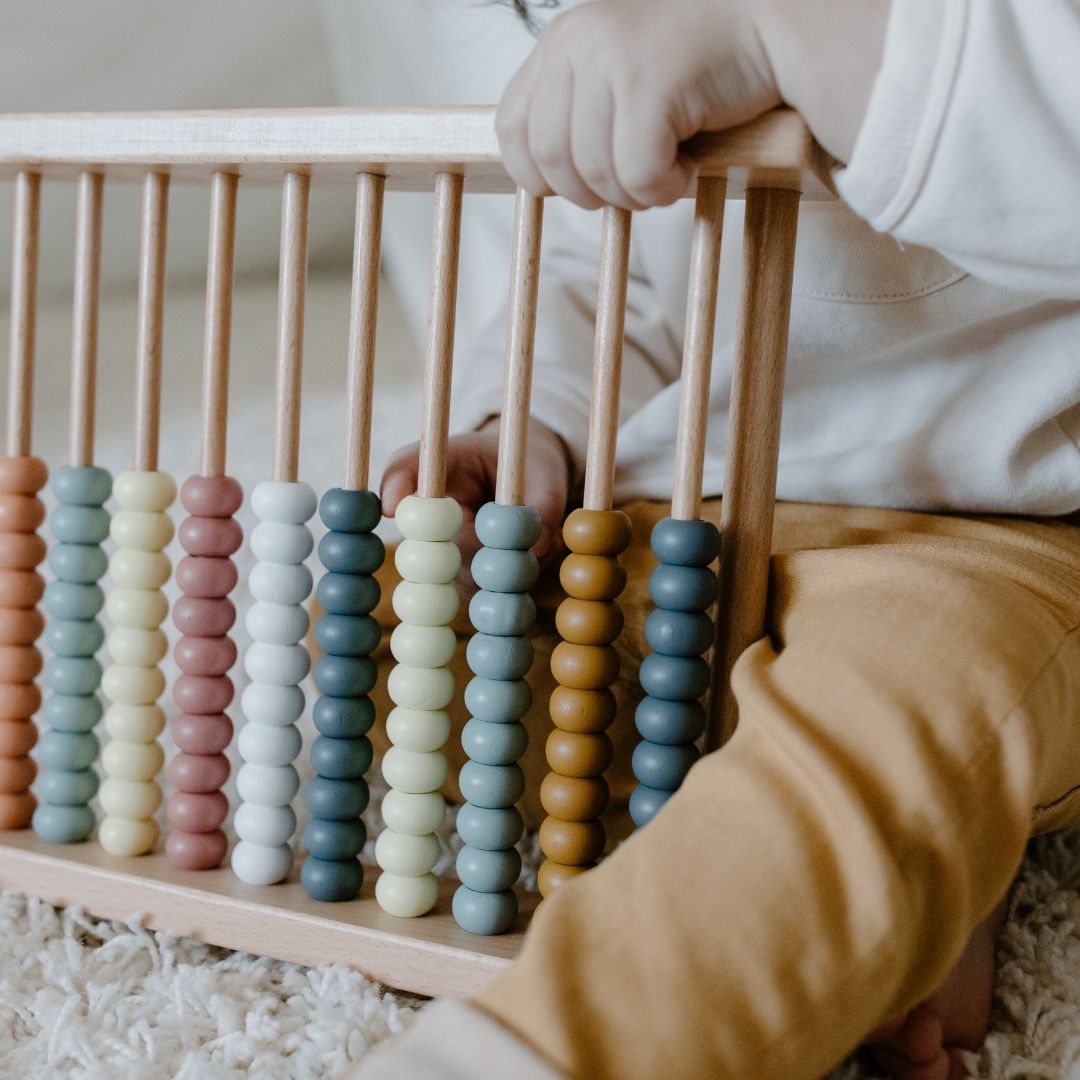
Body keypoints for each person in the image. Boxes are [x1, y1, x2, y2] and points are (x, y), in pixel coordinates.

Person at [350, 1, 1080, 1077]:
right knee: (377, 631)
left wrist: (772, 30)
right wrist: (530, 422)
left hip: (977, 527)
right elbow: (624, 267)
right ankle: (887, 916)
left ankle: (549, 1048)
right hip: (684, 502)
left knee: (878, 744)